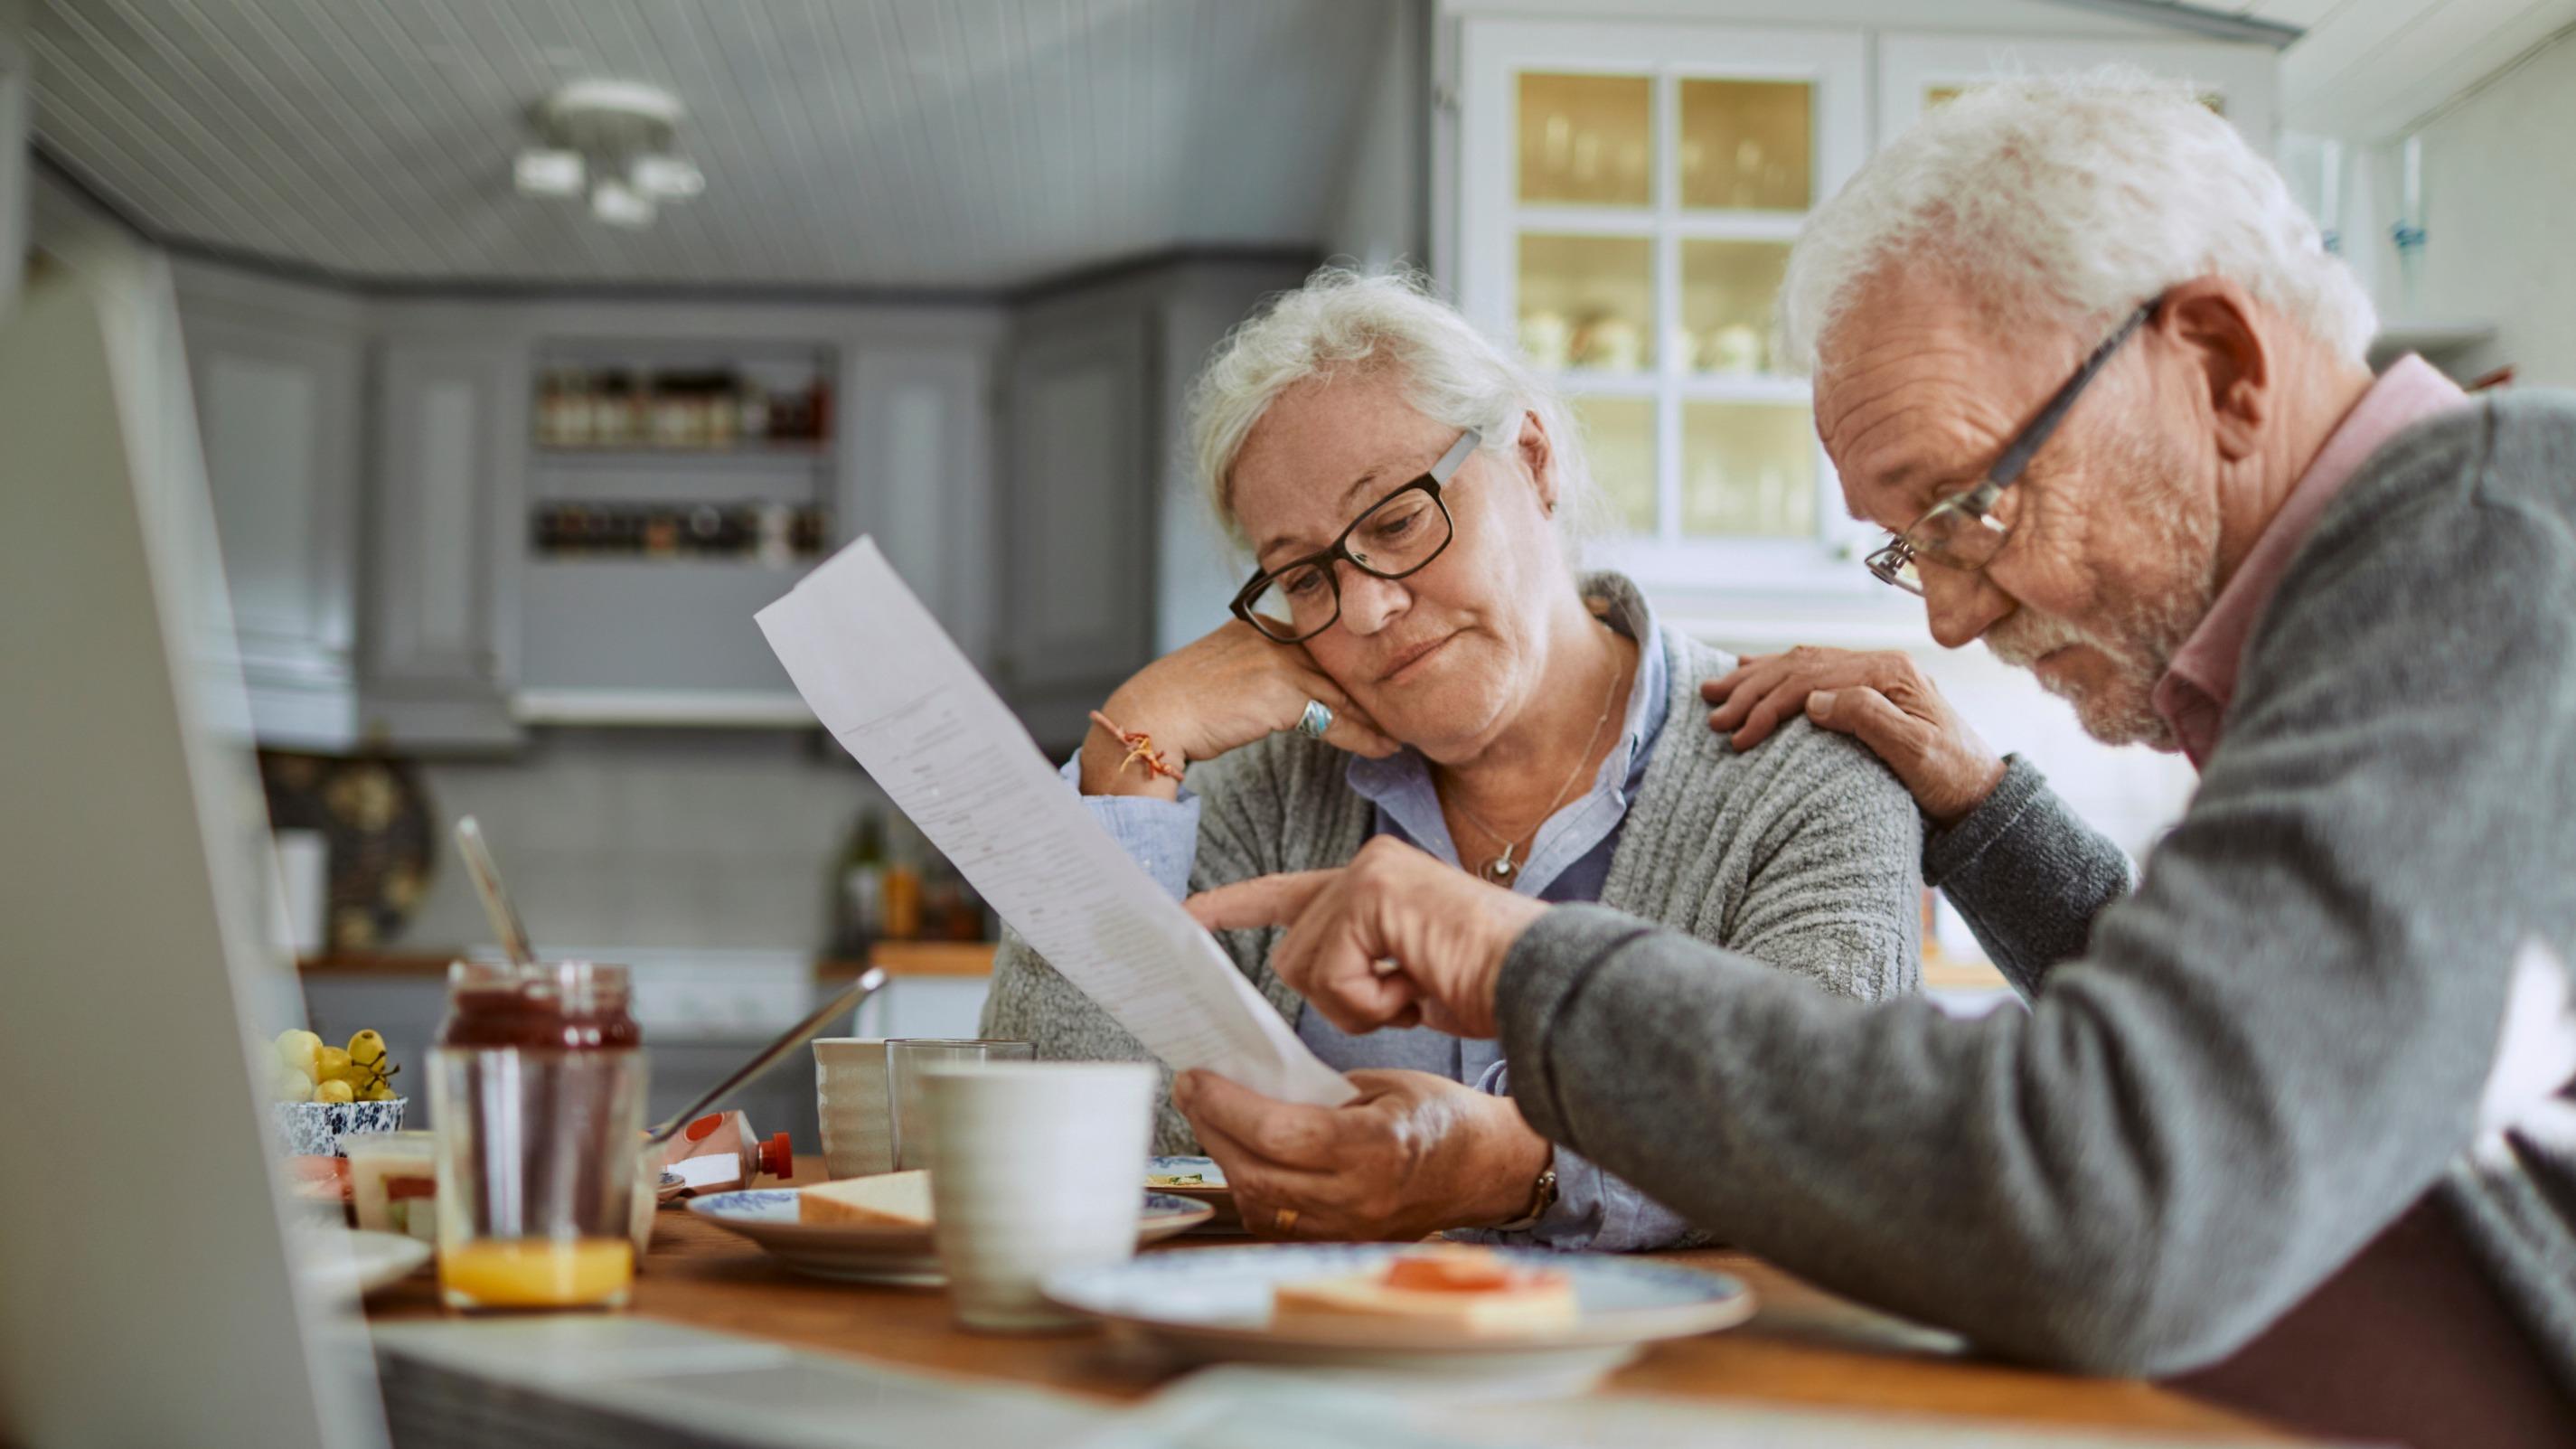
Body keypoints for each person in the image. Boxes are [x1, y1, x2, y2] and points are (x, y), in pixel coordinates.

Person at [1181, 72, 2576, 1447]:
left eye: (1967, 504)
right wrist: (1983, 821)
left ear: (2215, 361)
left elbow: (2117, 1192)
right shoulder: (2430, 565)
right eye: (1913, 548)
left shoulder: (2481, 547)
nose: (1956, 614)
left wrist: (1514, 963)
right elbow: (2271, 1066)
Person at [981, 268, 1925, 1249]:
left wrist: (1521, 1164)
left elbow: (1831, 1144)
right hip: (1304, 1376)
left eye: (1395, 521)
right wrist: (1133, 734)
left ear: (1532, 457)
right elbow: (1053, 1149)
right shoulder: (1255, 797)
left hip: (1680, 1390)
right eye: (1306, 577)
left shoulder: (1807, 772)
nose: (1368, 607)